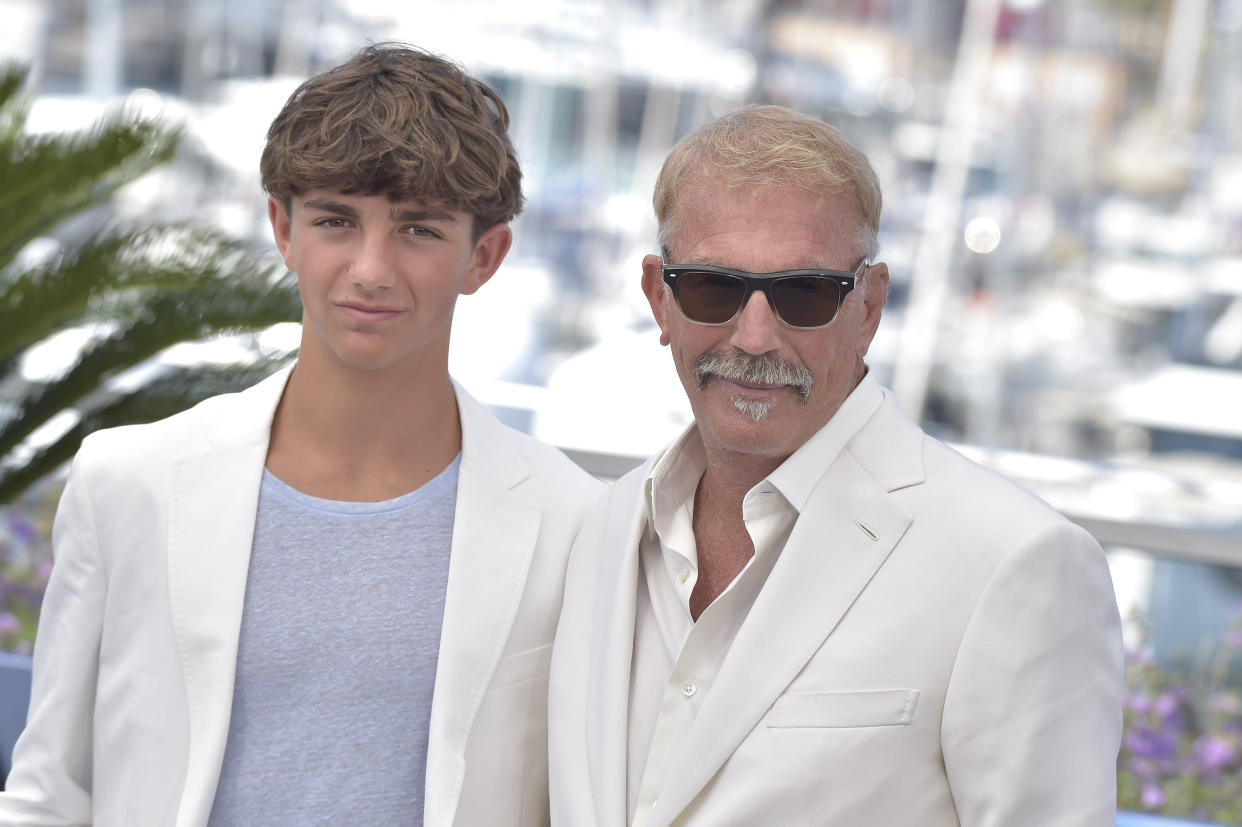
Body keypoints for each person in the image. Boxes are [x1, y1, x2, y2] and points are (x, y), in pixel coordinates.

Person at [0, 43, 602, 825]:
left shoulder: (574, 522)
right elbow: (49, 793)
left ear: (483, 256)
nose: (371, 267)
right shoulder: (129, 480)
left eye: (419, 229)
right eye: (335, 220)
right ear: (283, 230)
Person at [548, 105, 1124, 826]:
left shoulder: (1016, 563)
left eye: (804, 294)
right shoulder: (604, 531)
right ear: (658, 298)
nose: (754, 335)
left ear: (871, 306)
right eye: (714, 288)